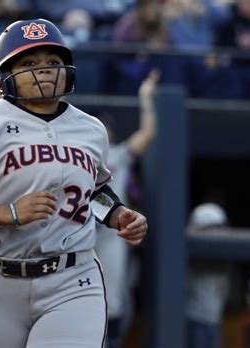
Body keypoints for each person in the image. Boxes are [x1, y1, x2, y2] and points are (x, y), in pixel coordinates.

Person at [0, 18, 148, 348]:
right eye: (30, 62)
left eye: (52, 62)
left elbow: (95, 192)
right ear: (4, 76)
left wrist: (117, 215)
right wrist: (8, 213)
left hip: (72, 278)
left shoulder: (91, 129)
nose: (44, 70)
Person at [94, 69, 157, 348]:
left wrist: (146, 97)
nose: (103, 132)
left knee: (114, 298)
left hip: (111, 234)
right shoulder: (74, 155)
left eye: (106, 128)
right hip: (79, 235)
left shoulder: (118, 154)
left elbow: (148, 133)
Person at [186, 202, 230, 348]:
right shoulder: (192, 256)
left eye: (218, 229)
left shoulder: (224, 255)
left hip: (215, 321)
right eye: (210, 230)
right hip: (195, 321)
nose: (216, 234)